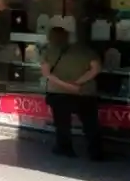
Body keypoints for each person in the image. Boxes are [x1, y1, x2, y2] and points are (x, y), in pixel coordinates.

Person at [41, 26, 104, 160]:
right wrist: (78, 83)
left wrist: (66, 86)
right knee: (90, 123)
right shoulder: (86, 51)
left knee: (62, 124)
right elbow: (96, 69)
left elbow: (46, 73)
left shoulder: (50, 52)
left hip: (59, 93)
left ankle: (65, 148)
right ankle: (95, 152)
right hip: (85, 93)